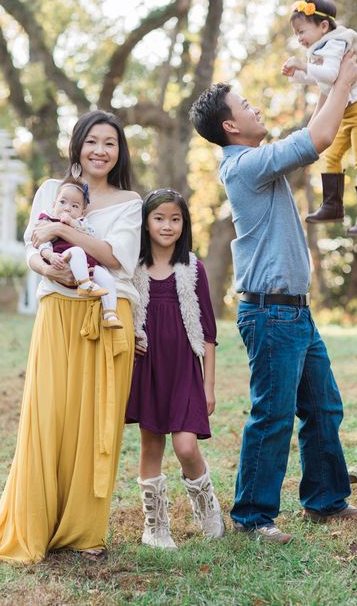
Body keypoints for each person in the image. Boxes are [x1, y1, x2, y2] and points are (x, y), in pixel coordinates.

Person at [189, 54, 357, 544]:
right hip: (271, 313)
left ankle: (325, 500)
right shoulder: (245, 167)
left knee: (323, 407)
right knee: (272, 414)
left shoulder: (257, 165)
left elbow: (308, 134)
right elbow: (317, 140)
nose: (256, 109)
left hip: (293, 311)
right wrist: (345, 80)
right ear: (231, 125)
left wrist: (323, 85)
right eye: (246, 105)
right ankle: (252, 516)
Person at [0, 110, 141, 563]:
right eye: (92, 141)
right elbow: (33, 247)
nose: (100, 151)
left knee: (95, 423)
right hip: (55, 311)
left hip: (108, 315)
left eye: (109, 143)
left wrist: (64, 229)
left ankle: (84, 532)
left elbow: (115, 256)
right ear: (77, 145)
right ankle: (34, 524)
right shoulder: (51, 190)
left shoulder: (130, 202)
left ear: (119, 151)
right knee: (46, 417)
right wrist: (46, 264)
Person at [126, 188, 224, 549]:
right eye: (159, 218)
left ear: (184, 224)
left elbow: (209, 334)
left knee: (185, 446)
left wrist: (209, 386)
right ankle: (156, 526)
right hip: (148, 368)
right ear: (146, 223)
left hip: (184, 369)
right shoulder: (132, 268)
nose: (167, 225)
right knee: (151, 444)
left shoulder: (192, 269)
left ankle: (207, 508)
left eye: (175, 219)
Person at [282, 0, 357, 236]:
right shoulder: (323, 46)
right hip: (347, 114)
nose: (299, 39)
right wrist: (297, 75)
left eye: (301, 32)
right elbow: (322, 78)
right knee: (331, 157)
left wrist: (302, 65)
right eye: (296, 34)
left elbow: (328, 74)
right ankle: (332, 206)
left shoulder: (337, 43)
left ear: (323, 26)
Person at [38, 176, 123, 328]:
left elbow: (90, 235)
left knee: (106, 278)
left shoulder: (82, 224)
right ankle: (84, 285)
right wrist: (50, 256)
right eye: (62, 202)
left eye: (75, 206)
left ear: (82, 212)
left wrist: (72, 223)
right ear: (53, 204)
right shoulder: (48, 221)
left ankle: (110, 313)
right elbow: (41, 245)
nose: (67, 208)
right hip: (63, 259)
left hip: (87, 265)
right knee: (76, 250)